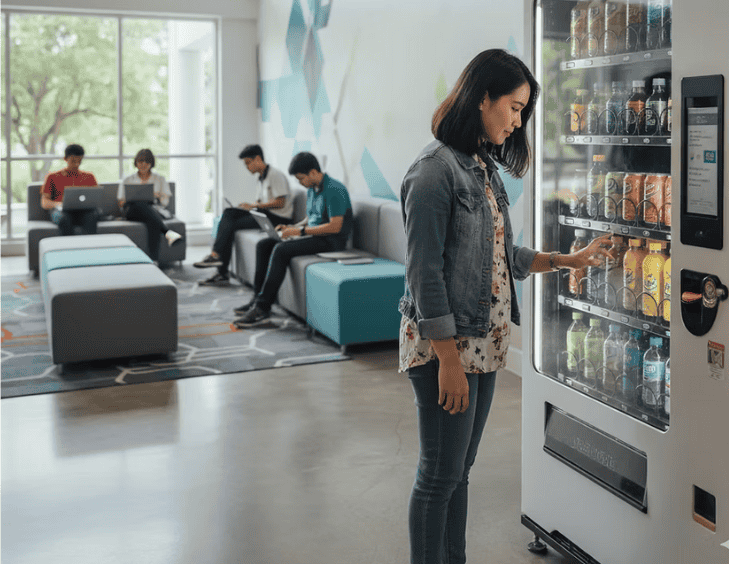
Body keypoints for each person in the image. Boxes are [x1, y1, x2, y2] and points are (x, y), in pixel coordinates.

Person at [398, 49, 611, 564]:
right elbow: (424, 275)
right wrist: (449, 360)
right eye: (514, 108)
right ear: (482, 97)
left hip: (484, 346)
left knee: (458, 472)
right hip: (448, 350)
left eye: (522, 112)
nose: (517, 122)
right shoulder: (433, 173)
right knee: (438, 476)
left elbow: (497, 253)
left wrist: (565, 259)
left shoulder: (482, 167)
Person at [233, 151, 352, 328]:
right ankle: (257, 299)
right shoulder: (312, 189)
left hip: (331, 242)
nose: (299, 183)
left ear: (313, 172)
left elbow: (335, 226)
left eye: (301, 178)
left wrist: (300, 231)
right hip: (314, 236)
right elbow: (311, 218)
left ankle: (263, 308)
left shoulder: (335, 190)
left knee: (281, 250)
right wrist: (292, 227)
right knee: (264, 244)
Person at [193, 144, 295, 285]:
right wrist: (250, 206)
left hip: (277, 219)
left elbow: (280, 202)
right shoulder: (261, 178)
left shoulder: (275, 175)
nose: (247, 167)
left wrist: (255, 206)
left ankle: (220, 268)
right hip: (264, 214)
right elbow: (262, 201)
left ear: (257, 159)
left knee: (231, 225)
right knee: (229, 213)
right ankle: (216, 258)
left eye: (248, 163)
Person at [117, 148, 183, 262]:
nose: (143, 164)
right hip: (133, 211)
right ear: (136, 163)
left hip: (154, 210)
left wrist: (156, 196)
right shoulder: (128, 180)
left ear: (151, 163)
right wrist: (133, 199)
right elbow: (121, 203)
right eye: (140, 161)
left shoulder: (160, 179)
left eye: (147, 162)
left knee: (152, 221)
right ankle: (167, 233)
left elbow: (165, 202)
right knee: (140, 204)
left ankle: (154, 260)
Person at [41, 144, 101, 236]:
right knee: (64, 219)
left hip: (84, 212)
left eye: (79, 161)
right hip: (62, 212)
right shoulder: (52, 177)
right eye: (73, 161)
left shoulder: (89, 177)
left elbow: (96, 199)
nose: (76, 164)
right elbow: (44, 202)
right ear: (65, 159)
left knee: (91, 216)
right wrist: (58, 204)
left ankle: (89, 244)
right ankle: (68, 245)